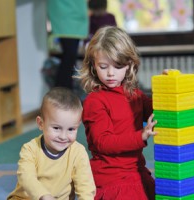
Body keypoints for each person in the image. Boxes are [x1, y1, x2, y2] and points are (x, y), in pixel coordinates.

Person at [77, 26, 157, 200]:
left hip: (136, 171)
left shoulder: (134, 94)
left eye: (118, 66)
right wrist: (140, 136)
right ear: (93, 66)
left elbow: (157, 111)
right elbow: (103, 142)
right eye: (103, 66)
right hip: (110, 177)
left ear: (129, 65)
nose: (111, 73)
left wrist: (169, 85)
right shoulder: (94, 101)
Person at [7, 87, 96, 200]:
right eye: (56, 128)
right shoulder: (30, 149)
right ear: (41, 124)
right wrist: (44, 196)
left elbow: (86, 186)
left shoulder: (78, 152)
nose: (63, 136)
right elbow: (26, 177)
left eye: (71, 129)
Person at [47, 0, 88, 90]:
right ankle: (61, 93)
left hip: (76, 12)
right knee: (69, 57)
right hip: (65, 12)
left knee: (70, 59)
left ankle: (65, 92)